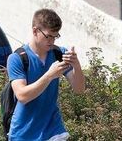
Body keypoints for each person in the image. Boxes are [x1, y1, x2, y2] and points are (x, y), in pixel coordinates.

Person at [7, 9, 86, 141]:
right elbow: (22, 96)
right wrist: (49, 75)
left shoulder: (59, 54)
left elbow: (79, 90)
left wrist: (76, 65)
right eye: (48, 36)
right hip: (23, 133)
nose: (52, 41)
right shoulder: (17, 59)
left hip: (53, 130)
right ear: (35, 31)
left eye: (56, 36)